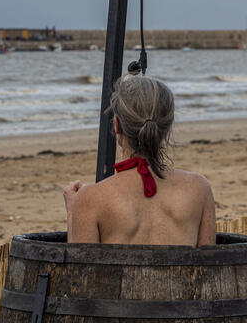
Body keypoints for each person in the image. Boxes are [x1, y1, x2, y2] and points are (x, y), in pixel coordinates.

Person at [64, 75, 216, 246]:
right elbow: (209, 265)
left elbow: (80, 269)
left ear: (116, 125)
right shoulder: (199, 188)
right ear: (167, 127)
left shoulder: (90, 198)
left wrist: (73, 211)